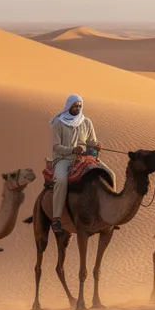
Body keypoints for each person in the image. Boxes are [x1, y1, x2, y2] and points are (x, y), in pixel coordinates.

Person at [50, 94, 100, 232]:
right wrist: (73, 150)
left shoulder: (86, 122)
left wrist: (96, 145)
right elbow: (56, 147)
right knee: (61, 180)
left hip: (84, 159)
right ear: (69, 106)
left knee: (107, 174)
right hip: (63, 159)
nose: (78, 108)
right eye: (75, 106)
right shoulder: (58, 123)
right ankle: (56, 219)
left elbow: (91, 142)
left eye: (79, 106)